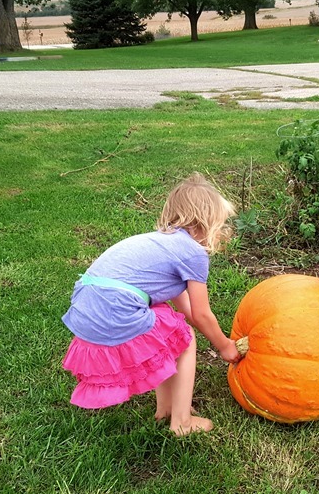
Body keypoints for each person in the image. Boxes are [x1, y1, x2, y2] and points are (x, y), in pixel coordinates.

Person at [61, 172, 241, 436]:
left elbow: (185, 310)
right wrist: (225, 346)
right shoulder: (193, 253)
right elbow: (201, 314)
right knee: (185, 338)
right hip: (114, 309)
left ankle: (165, 409)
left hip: (88, 309)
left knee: (170, 333)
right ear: (207, 223)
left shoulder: (161, 243)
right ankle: (182, 422)